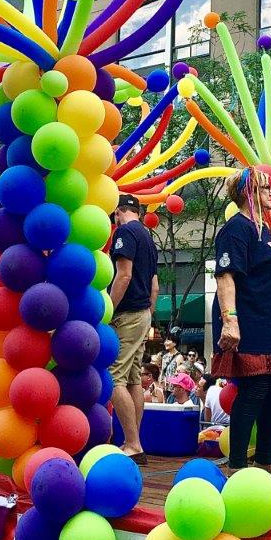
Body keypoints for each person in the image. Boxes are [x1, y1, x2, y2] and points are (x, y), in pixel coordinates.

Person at [213, 167, 271, 479]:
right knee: (255, 388)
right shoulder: (237, 229)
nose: (270, 193)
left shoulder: (268, 232)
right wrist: (230, 321)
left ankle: (264, 457)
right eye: (263, 189)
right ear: (248, 194)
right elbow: (225, 276)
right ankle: (236, 465)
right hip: (250, 321)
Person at [107, 193, 159, 465]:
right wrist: (148, 313)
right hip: (142, 314)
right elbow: (155, 285)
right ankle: (135, 440)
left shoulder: (124, 233)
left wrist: (108, 310)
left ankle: (132, 443)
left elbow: (123, 275)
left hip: (126, 314)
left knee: (114, 377)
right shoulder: (148, 237)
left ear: (118, 212)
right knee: (134, 378)